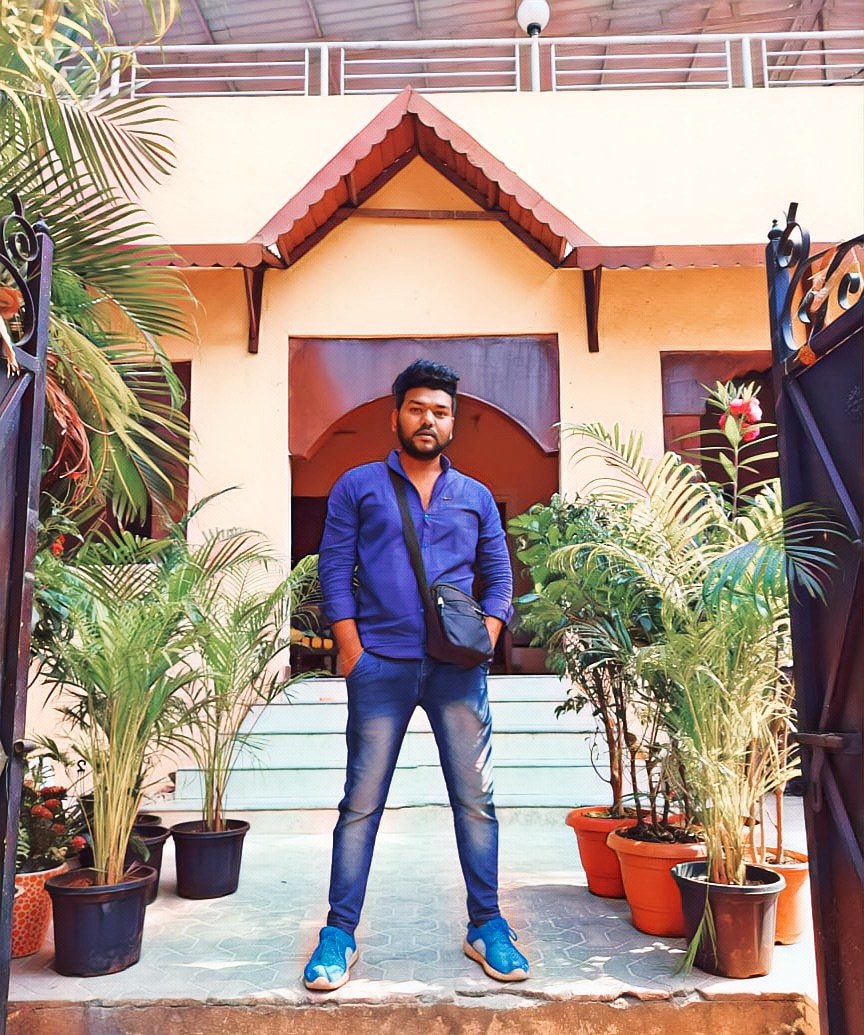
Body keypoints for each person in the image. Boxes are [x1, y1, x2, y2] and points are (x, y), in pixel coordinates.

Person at [303, 359, 529, 991]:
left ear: (453, 422)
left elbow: (499, 578)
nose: (429, 420)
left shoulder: (475, 496)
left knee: (476, 802)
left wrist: (486, 638)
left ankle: (486, 925)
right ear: (396, 415)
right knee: (361, 804)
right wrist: (352, 651)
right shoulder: (358, 486)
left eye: (441, 411)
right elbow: (333, 569)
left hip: (458, 672)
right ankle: (339, 932)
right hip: (381, 666)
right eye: (417, 409)